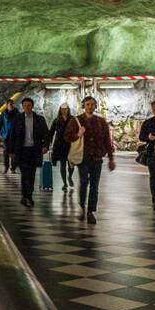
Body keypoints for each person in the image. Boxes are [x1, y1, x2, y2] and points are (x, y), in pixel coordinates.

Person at [64, 95, 115, 223]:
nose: (90, 107)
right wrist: (78, 135)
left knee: (94, 185)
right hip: (83, 157)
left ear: (95, 106)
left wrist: (111, 158)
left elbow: (107, 140)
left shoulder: (101, 121)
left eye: (92, 104)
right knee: (84, 182)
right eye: (87, 104)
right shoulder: (76, 120)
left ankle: (91, 211)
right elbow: (67, 136)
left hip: (97, 157)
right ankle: (81, 206)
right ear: (83, 106)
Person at [6, 97, 49, 206]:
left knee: (32, 174)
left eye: (29, 106)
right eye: (24, 106)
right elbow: (12, 135)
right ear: (22, 107)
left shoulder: (39, 119)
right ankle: (25, 196)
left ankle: (29, 195)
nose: (27, 108)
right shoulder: (18, 119)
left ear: (32, 106)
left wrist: (45, 146)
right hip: (22, 150)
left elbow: (46, 134)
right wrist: (11, 151)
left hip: (34, 150)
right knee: (25, 174)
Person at [48, 104, 75, 191]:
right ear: (60, 110)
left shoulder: (72, 119)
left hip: (70, 144)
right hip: (60, 144)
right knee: (63, 164)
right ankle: (64, 183)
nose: (64, 111)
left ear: (68, 110)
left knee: (71, 164)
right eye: (62, 109)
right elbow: (51, 132)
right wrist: (49, 143)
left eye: (65, 109)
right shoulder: (57, 120)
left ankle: (70, 177)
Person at [0, 99, 18, 174]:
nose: (11, 105)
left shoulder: (17, 114)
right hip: (6, 136)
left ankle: (13, 167)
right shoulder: (4, 114)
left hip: (15, 137)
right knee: (6, 153)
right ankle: (6, 167)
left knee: (14, 153)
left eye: (12, 104)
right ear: (7, 105)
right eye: (10, 104)